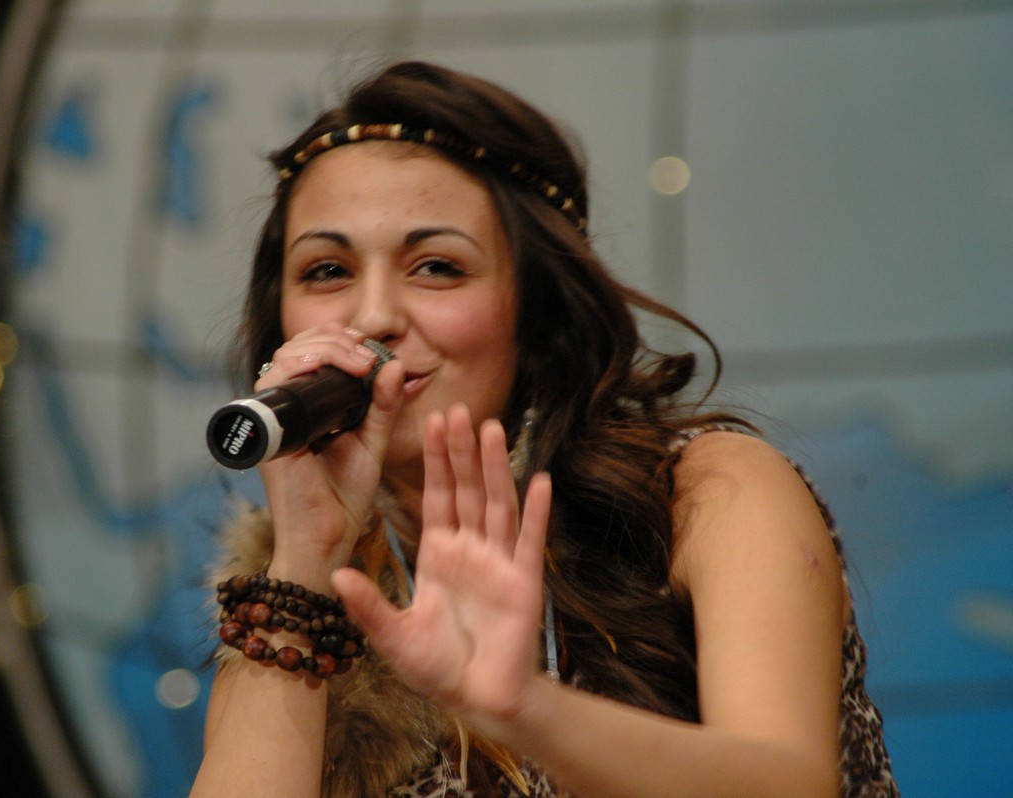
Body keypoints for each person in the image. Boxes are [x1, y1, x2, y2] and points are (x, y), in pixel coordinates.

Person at [189, 61, 898, 798]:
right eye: (327, 271)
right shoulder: (280, 584)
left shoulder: (705, 493)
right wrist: (307, 557)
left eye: (436, 267)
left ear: (535, 312)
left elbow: (790, 784)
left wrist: (527, 710)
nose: (372, 317)